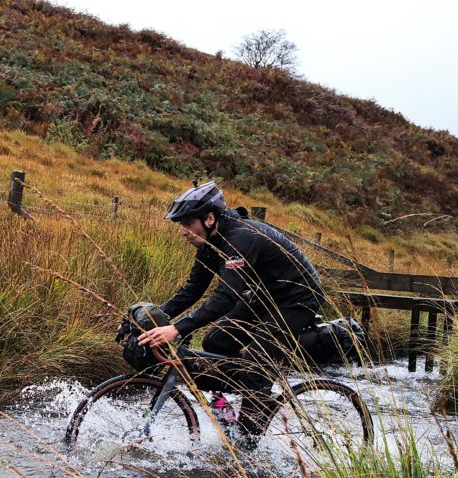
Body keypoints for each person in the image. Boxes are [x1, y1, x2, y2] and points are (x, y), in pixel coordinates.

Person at [137, 181, 325, 444]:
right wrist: (153, 316)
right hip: (266, 296)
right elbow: (192, 290)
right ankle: (230, 404)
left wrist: (177, 329)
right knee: (216, 341)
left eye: (187, 224)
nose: (183, 232)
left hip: (299, 298)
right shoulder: (209, 244)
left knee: (257, 362)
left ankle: (248, 441)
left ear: (210, 218)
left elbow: (226, 298)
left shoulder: (241, 238)